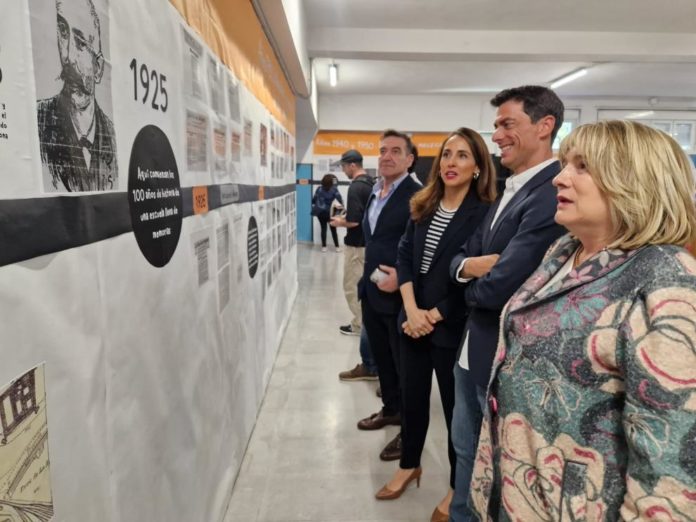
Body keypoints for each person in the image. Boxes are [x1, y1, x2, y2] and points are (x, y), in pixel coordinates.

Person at [469, 120, 696, 521]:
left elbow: (670, 468)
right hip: (520, 491)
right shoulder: (565, 249)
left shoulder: (665, 278)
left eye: (582, 166)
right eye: (565, 164)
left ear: (634, 181)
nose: (560, 178)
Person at [448, 85, 566, 521]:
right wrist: (469, 269)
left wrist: (468, 283)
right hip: (471, 349)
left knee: (496, 469)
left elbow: (501, 288)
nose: (496, 135)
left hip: (503, 358)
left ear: (545, 126)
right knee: (465, 453)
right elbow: (464, 254)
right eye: (496, 125)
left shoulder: (550, 194)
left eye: (507, 124)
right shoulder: (508, 189)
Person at [374, 129, 496, 522]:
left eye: (462, 155)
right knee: (411, 399)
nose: (451, 163)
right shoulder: (423, 204)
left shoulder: (485, 212)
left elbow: (474, 275)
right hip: (411, 321)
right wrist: (411, 309)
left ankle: (456, 487)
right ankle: (409, 465)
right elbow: (405, 256)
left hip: (450, 325)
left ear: (477, 167)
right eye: (446, 154)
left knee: (456, 413)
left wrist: (435, 314)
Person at [356, 130, 421, 462]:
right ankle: (391, 409)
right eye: (382, 150)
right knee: (383, 361)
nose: (386, 156)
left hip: (400, 296)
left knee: (404, 367)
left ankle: (409, 433)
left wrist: (403, 277)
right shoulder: (375, 191)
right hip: (372, 291)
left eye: (396, 151)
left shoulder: (417, 196)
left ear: (410, 159)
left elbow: (424, 249)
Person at [37, 0, 118, 192]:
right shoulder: (39, 120)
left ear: (99, 68)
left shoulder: (111, 137)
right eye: (63, 33)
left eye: (81, 44)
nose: (68, 56)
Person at [331, 149, 375, 338]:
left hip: (356, 247)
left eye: (343, 167)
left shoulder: (355, 187)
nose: (343, 171)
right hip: (368, 244)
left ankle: (359, 325)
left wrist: (339, 222)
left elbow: (355, 221)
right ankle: (366, 323)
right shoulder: (370, 183)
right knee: (364, 286)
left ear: (352, 165)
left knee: (352, 286)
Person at [312, 174, 343, 252]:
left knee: (323, 229)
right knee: (333, 230)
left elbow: (314, 200)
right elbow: (339, 199)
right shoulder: (334, 189)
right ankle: (337, 247)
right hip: (330, 213)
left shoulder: (319, 189)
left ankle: (324, 247)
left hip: (320, 212)